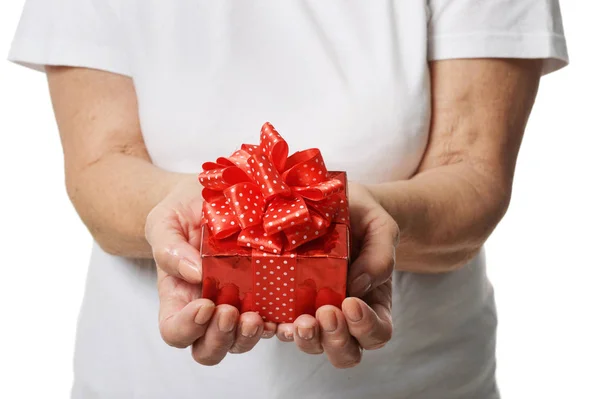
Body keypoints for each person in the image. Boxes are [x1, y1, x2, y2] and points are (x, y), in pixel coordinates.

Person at [8, 1, 568, 398]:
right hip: (141, 383)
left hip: (421, 386)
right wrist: (187, 218)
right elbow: (98, 164)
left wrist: (366, 218)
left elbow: (471, 174)